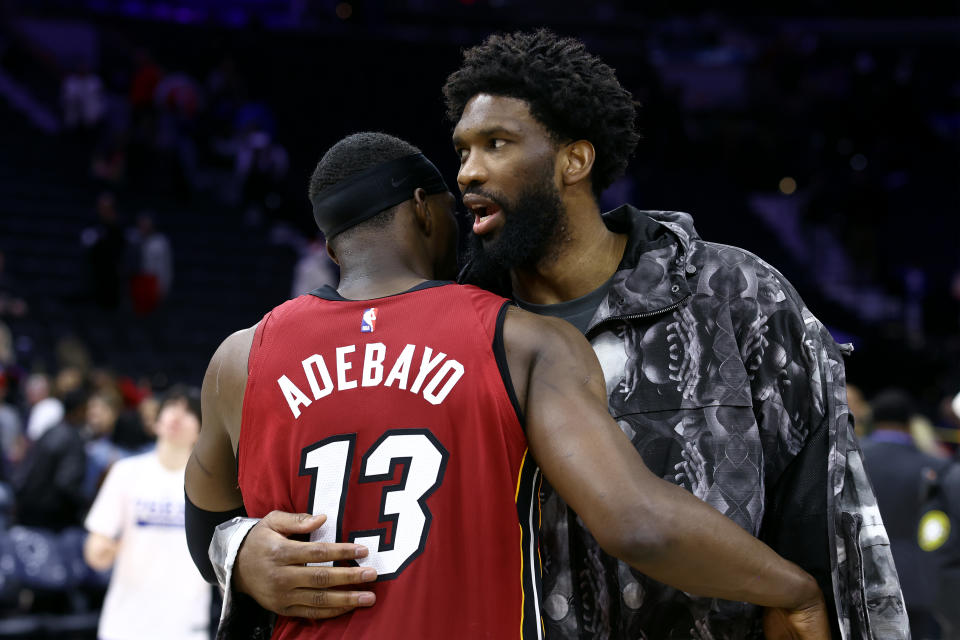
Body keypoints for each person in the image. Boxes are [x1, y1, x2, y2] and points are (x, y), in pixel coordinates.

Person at [214, 31, 908, 639]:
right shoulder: (452, 326)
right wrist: (240, 554)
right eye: (460, 151)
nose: (467, 172)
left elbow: (836, 526)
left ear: (574, 161)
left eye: (496, 144)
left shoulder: (735, 296)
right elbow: (328, 488)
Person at [84, 386, 212, 640]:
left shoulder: (210, 485)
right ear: (156, 421)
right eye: (170, 408)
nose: (176, 415)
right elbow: (95, 543)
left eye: (188, 412)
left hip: (185, 626)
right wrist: (99, 551)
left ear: (200, 430)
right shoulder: (125, 472)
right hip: (124, 624)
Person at [860, 389, 953, 639]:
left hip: (859, 576)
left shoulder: (849, 458)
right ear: (911, 421)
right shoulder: (937, 466)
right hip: (918, 581)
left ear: (873, 418)